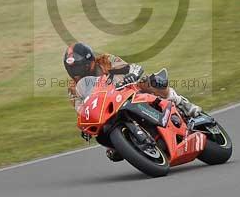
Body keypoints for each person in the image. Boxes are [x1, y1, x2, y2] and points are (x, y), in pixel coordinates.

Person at [64, 42, 202, 161]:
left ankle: (180, 102)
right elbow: (82, 110)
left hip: (129, 92)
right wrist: (85, 125)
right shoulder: (73, 88)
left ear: (91, 62)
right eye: (71, 69)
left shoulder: (105, 60)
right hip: (107, 109)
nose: (76, 72)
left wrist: (132, 75)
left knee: (150, 82)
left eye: (78, 67)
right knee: (98, 131)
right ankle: (121, 144)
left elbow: (132, 68)